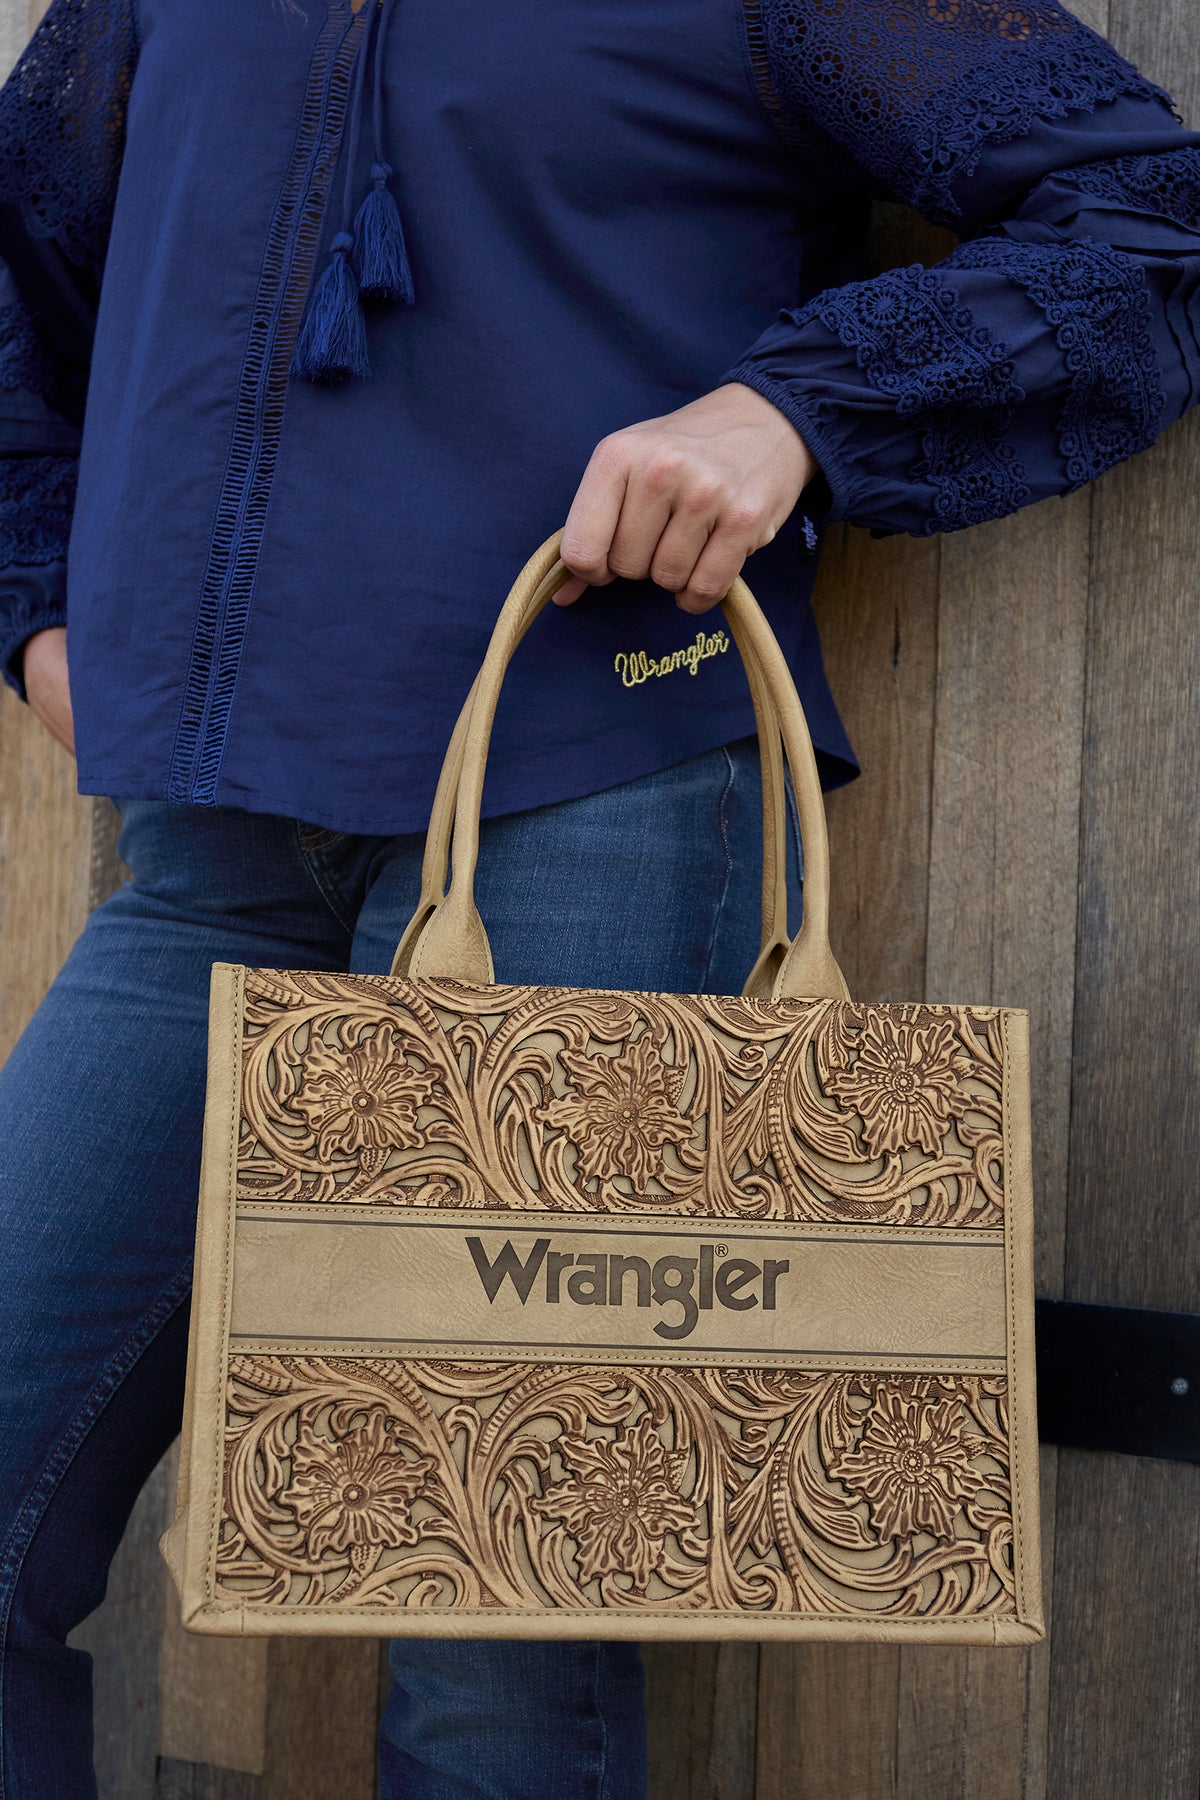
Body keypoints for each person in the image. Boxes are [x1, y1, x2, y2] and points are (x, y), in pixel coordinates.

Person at [0, 0, 1197, 1794]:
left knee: (492, 1627)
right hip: (210, 852)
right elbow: (18, 272)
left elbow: (1146, 213)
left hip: (594, 803)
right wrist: (36, 603)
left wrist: (788, 409)